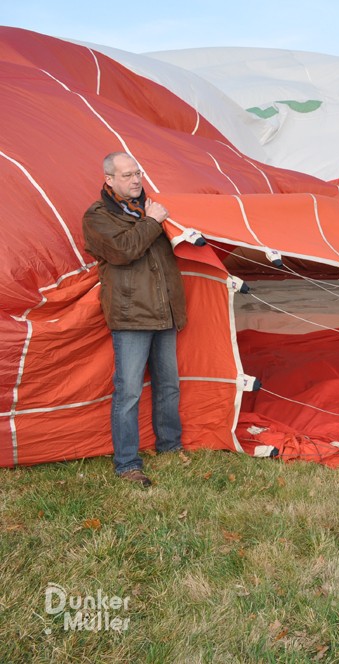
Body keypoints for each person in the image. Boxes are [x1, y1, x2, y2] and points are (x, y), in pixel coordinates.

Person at [82, 152, 187, 487]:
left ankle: (170, 446)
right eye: (127, 175)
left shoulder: (154, 207)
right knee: (128, 392)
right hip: (131, 315)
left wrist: (157, 218)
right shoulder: (98, 216)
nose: (135, 180)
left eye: (137, 173)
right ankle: (127, 463)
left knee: (168, 385)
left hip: (164, 310)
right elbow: (123, 251)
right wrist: (153, 221)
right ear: (109, 179)